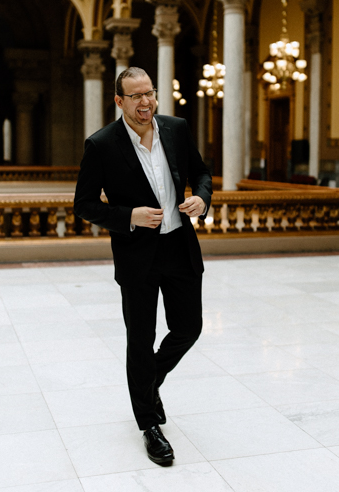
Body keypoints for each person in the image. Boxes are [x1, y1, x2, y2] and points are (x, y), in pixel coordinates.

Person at [74, 66, 212, 466]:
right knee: (140, 338)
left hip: (180, 247)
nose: (146, 102)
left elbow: (201, 173)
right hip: (137, 257)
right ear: (119, 101)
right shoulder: (101, 145)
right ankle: (149, 425)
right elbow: (83, 205)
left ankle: (149, 384)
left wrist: (202, 198)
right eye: (135, 96)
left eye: (150, 93)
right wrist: (128, 216)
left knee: (189, 327)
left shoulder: (176, 128)